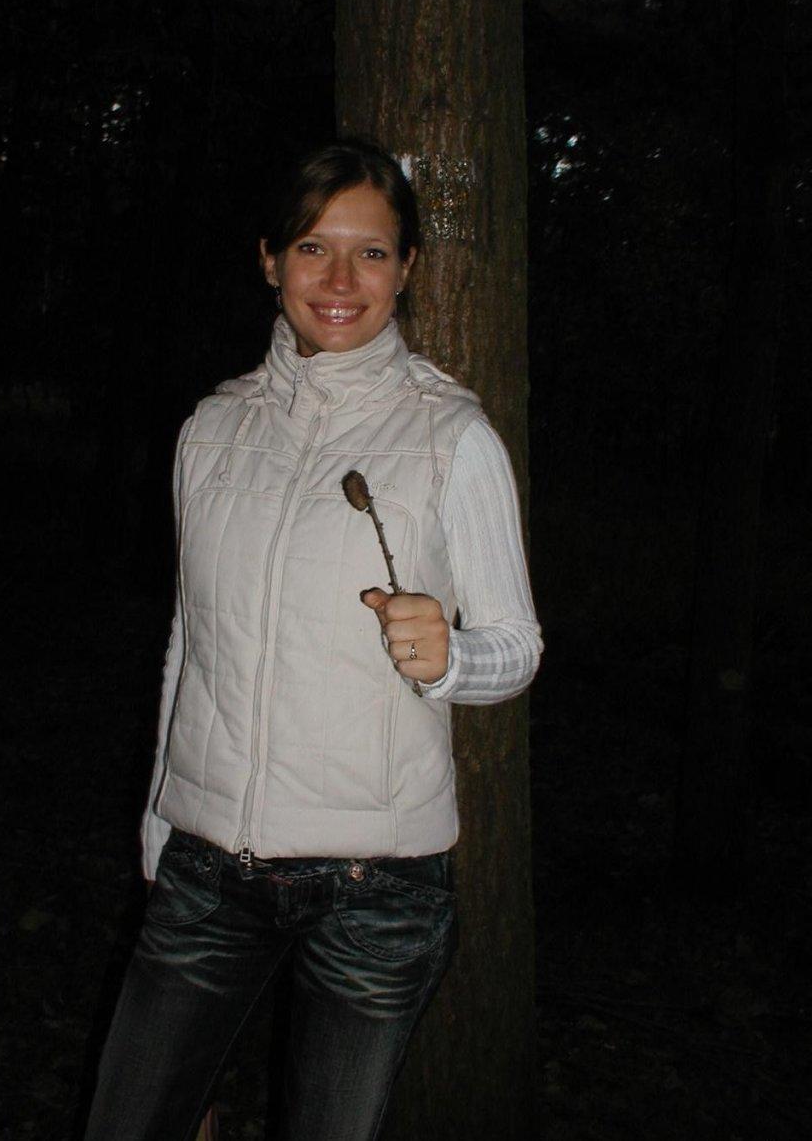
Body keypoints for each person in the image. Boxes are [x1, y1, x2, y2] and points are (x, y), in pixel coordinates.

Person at [82, 138, 542, 1141]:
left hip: (375, 888)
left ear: (406, 268)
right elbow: (188, 642)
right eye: (311, 248)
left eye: (370, 253)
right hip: (206, 867)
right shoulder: (211, 430)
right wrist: (161, 835)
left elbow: (516, 647)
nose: (339, 281)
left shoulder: (451, 437)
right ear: (269, 261)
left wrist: (452, 660)